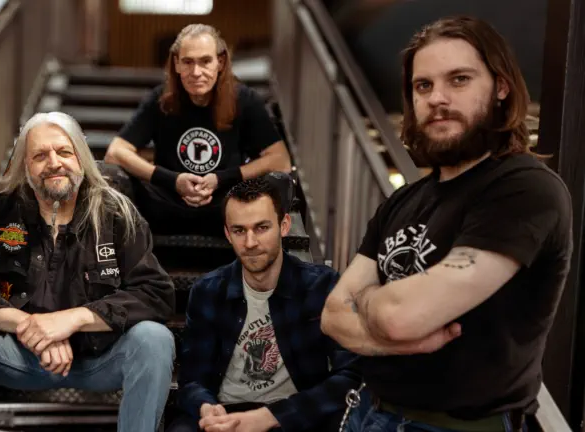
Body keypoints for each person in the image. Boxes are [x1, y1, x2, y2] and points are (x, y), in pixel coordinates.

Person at [320, 16, 573, 432]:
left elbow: (402, 316)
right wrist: (398, 337)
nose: (437, 98)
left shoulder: (523, 189)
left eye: (459, 80)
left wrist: (366, 300)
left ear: (501, 87)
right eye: (423, 86)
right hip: (369, 411)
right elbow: (332, 316)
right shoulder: (404, 200)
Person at [0, 111, 176, 431]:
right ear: (25, 166)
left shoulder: (116, 213)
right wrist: (31, 326)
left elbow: (155, 293)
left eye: (64, 152)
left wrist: (72, 320)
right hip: (18, 357)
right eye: (40, 155)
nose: (54, 163)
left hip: (100, 357)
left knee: (155, 338)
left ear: (81, 158)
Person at [170, 175, 360, 432]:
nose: (250, 243)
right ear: (227, 234)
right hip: (226, 414)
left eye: (261, 228)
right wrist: (206, 407)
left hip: (291, 416)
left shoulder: (320, 286)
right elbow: (191, 380)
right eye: (239, 230)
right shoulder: (208, 290)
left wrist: (272, 416)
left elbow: (351, 375)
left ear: (284, 226)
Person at [103, 24, 293, 237]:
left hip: (228, 206)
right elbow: (115, 152)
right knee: (108, 173)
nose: (196, 72)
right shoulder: (160, 99)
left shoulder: (245, 100)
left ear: (220, 62)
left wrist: (220, 179)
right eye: (188, 62)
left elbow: (281, 160)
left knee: (279, 181)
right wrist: (172, 180)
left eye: (205, 61)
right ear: (176, 63)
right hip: (166, 204)